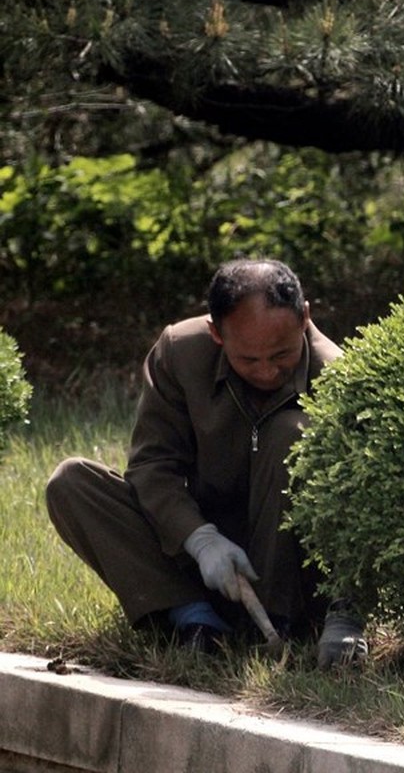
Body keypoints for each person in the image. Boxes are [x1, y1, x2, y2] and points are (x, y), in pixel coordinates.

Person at [46, 259, 366, 666]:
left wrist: (347, 615)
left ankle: (271, 625)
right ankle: (194, 619)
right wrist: (200, 539)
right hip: (200, 559)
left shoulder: (339, 377)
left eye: (282, 355)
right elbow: (152, 467)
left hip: (292, 574)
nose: (267, 371)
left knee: (291, 432)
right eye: (249, 359)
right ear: (216, 333)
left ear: (305, 317)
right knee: (71, 482)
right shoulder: (180, 353)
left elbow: (362, 510)